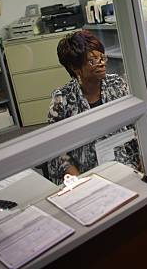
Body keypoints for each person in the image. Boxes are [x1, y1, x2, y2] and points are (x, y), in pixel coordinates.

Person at [47, 30, 140, 184]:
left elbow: (136, 125)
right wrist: (80, 182)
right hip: (87, 174)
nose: (101, 63)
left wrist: (141, 161)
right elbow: (56, 150)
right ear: (76, 68)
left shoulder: (117, 84)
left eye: (101, 57)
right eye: (92, 61)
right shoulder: (62, 99)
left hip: (126, 165)